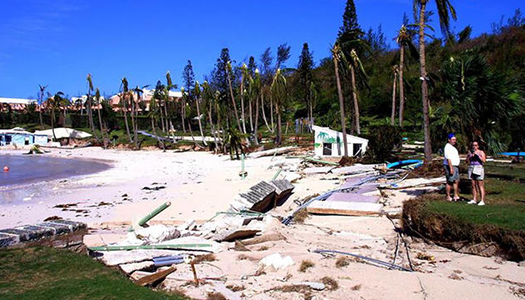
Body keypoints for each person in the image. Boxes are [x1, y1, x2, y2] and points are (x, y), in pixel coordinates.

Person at [466, 141, 486, 206]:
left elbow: (484, 160)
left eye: (475, 145)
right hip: (471, 167)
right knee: (473, 184)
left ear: (478, 146)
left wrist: (478, 156)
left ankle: (482, 200)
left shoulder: (481, 152)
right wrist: (469, 156)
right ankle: (474, 199)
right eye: (473, 145)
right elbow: (466, 161)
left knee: (480, 184)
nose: (474, 146)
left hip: (478, 167)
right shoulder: (470, 152)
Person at [444, 133, 460, 201]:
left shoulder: (453, 148)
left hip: (455, 166)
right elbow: (448, 159)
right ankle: (448, 196)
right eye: (453, 139)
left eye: (455, 139)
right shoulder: (447, 147)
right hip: (450, 166)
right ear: (449, 140)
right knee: (449, 181)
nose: (454, 141)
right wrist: (451, 168)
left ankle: (455, 195)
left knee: (456, 181)